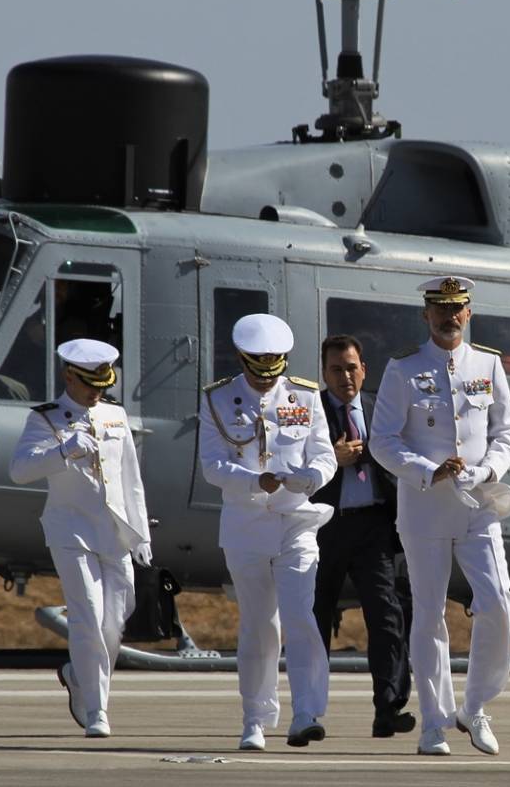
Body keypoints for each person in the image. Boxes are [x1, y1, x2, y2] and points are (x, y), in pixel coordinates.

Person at [370, 276, 510, 757]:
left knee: (497, 601)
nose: (448, 317)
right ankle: (433, 723)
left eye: (457, 309)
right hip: (425, 508)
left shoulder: (489, 364)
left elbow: (507, 433)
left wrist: (488, 468)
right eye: (439, 309)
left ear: (469, 312)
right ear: (426, 314)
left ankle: (474, 708)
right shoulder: (403, 369)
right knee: (429, 615)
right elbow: (383, 441)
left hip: (479, 504)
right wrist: (427, 470)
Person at [198, 313, 337, 751]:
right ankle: (255, 718)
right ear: (243, 359)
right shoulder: (218, 399)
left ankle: (306, 713)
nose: (264, 377)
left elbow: (325, 456)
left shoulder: (304, 395)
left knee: (301, 615)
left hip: (296, 519)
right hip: (246, 524)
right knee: (259, 625)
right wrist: (252, 480)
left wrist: (308, 477)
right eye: (257, 366)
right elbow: (212, 465)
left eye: (273, 364)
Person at [8, 338, 152, 738]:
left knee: (114, 623)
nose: (97, 390)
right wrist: (62, 451)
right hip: (70, 529)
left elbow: (130, 478)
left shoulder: (114, 415)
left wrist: (140, 534)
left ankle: (77, 673)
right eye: (89, 382)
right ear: (68, 375)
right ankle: (96, 709)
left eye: (103, 382)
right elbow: (19, 470)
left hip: (115, 532)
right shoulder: (46, 420)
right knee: (87, 616)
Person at [311, 334, 415, 739]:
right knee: (314, 617)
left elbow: (401, 459)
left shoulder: (379, 410)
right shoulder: (311, 412)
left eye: (351, 368)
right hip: (324, 524)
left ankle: (388, 707)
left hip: (373, 526)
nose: (345, 377)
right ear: (324, 373)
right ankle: (309, 709)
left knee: (387, 616)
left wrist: (378, 455)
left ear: (364, 370)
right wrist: (331, 460)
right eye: (336, 369)